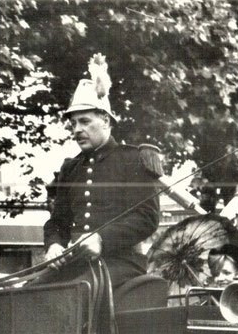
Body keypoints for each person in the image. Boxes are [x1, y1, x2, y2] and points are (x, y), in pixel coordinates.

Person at [42, 54, 160, 288]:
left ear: (105, 120)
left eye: (85, 121)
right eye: (73, 124)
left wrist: (101, 239)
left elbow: (147, 218)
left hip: (122, 263)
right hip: (76, 264)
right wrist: (54, 245)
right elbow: (58, 222)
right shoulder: (71, 168)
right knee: (27, 295)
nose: (77, 130)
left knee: (77, 297)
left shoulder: (133, 159)